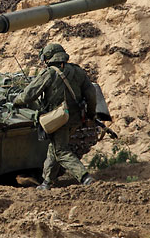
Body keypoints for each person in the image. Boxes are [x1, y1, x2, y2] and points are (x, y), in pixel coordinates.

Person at [12, 42, 97, 190]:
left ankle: (85, 178)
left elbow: (29, 95)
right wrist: (90, 114)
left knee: (61, 151)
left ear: (48, 58)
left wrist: (16, 100)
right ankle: (47, 183)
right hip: (76, 118)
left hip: (58, 119)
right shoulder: (78, 71)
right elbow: (91, 94)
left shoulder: (49, 73)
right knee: (55, 149)